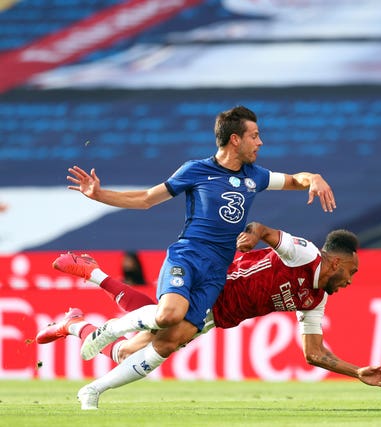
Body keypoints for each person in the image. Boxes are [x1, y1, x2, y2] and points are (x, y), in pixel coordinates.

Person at [66, 106, 336, 406]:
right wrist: (100, 195)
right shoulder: (196, 170)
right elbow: (146, 199)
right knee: (168, 314)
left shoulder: (255, 176)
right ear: (235, 139)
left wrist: (314, 177)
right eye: (255, 136)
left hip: (217, 272)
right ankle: (107, 330)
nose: (260, 143)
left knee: (169, 341)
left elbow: (295, 180)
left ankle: (92, 390)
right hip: (189, 255)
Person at [37, 222, 381, 409]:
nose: (351, 281)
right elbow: (264, 229)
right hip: (214, 280)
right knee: (164, 327)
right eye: (351, 272)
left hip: (218, 315)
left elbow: (314, 353)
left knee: (127, 352)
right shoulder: (305, 255)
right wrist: (250, 237)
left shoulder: (315, 300)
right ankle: (93, 387)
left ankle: (77, 320)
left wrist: (356, 371)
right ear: (336, 261)